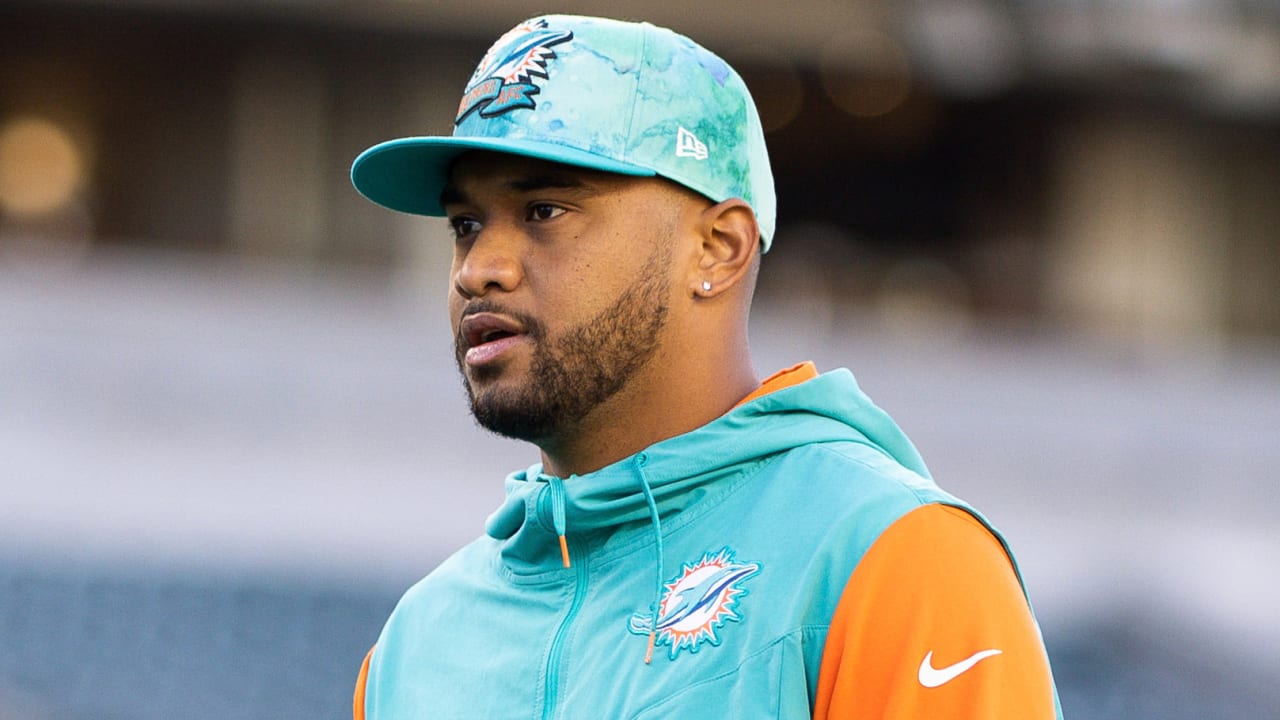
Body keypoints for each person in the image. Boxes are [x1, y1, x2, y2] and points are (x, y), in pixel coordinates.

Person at [348, 14, 1061, 720]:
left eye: (544, 210)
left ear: (718, 248)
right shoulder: (417, 643)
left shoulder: (892, 559)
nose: (480, 269)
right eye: (465, 225)